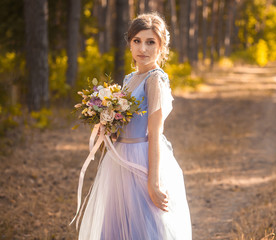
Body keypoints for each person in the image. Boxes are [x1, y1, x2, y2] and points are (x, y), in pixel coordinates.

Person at [75, 12, 192, 239]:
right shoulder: (130, 78)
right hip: (120, 159)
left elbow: (155, 133)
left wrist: (154, 182)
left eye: (150, 42)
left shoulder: (155, 80)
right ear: (129, 43)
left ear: (161, 46)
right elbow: (126, 122)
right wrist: (106, 124)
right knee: (117, 223)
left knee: (144, 225)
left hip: (142, 157)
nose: (143, 49)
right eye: (137, 41)